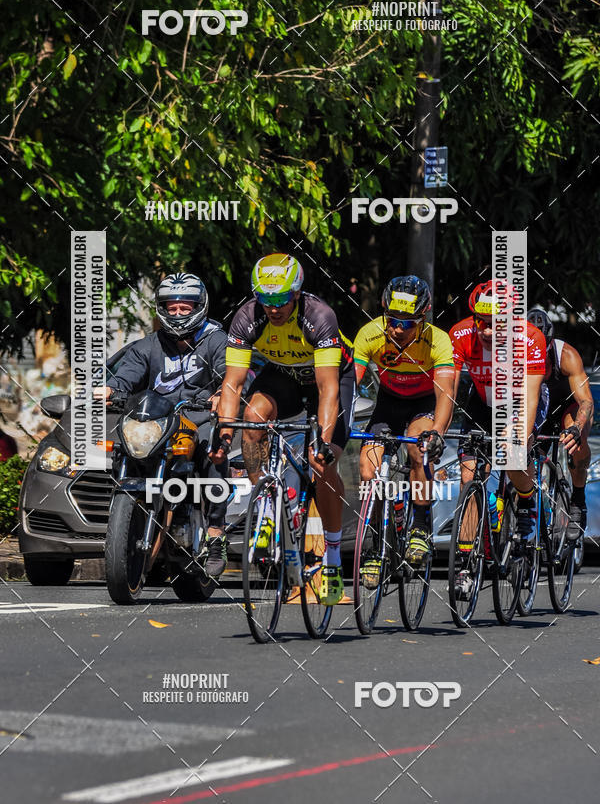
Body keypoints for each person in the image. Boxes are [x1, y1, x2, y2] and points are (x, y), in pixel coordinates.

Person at [210, 253, 356, 606]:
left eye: (281, 299)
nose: (273, 308)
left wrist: (322, 440)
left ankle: (333, 558)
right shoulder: (247, 317)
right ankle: (264, 505)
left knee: (322, 464)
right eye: (265, 299)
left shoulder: (319, 317)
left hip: (330, 380)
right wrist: (223, 432)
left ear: (297, 293)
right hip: (284, 375)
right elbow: (232, 384)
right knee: (253, 420)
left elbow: (328, 390)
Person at [96, 272, 229, 577]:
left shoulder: (216, 340)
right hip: (158, 420)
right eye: (171, 307)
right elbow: (127, 374)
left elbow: (230, 375)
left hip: (200, 419)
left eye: (185, 308)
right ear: (161, 308)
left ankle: (216, 534)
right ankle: (129, 518)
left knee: (213, 449)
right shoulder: (148, 345)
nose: (178, 314)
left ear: (200, 306)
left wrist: (221, 394)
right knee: (124, 446)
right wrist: (110, 390)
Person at [353, 275, 455, 571]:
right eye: (392, 319)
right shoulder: (370, 334)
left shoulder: (438, 340)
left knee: (417, 448)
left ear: (422, 319)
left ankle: (421, 527)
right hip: (389, 401)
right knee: (366, 467)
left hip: (423, 403)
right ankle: (374, 544)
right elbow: (350, 384)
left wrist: (437, 432)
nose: (397, 328)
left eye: (407, 323)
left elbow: (445, 393)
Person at [450, 282, 548, 568]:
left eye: (495, 324)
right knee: (468, 476)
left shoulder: (530, 338)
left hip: (521, 401)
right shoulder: (461, 333)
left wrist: (521, 435)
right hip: (483, 401)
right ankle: (466, 561)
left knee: (512, 454)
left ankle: (528, 501)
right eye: (481, 322)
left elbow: (530, 398)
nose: (487, 331)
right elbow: (449, 387)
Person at [528, 306, 594, 538]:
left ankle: (577, 497)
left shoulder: (566, 355)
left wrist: (577, 427)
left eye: (541, 348)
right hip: (537, 408)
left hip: (567, 407)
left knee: (574, 440)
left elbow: (586, 401)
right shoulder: (515, 355)